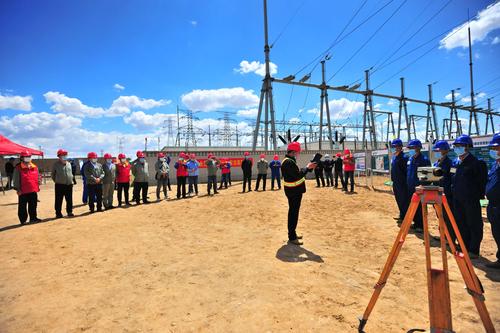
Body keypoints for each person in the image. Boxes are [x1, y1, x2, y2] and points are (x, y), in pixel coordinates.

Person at [451, 134, 488, 258]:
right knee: (460, 222)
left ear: (467, 147)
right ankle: (463, 245)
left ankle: (473, 250)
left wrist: (476, 196)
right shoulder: (455, 162)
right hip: (457, 199)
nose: (457, 148)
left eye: (460, 146)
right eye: (456, 146)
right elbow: (452, 178)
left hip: (470, 200)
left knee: (473, 223)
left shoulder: (476, 163)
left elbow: (481, 182)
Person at [281, 142, 316, 245]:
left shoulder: (289, 161)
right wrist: (307, 168)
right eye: (297, 152)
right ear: (293, 152)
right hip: (294, 192)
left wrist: (307, 168)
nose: (298, 154)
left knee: (293, 213)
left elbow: (296, 174)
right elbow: (298, 176)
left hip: (293, 191)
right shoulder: (288, 162)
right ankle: (292, 236)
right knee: (293, 214)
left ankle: (293, 233)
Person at [432, 140, 456, 242]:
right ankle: (443, 235)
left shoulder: (450, 164)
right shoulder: (436, 163)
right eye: (436, 150)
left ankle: (449, 238)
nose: (437, 152)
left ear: (445, 151)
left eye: (439, 150)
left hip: (446, 195)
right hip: (436, 194)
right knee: (440, 216)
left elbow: (452, 179)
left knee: (447, 217)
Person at [406, 139, 431, 231]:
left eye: (412, 148)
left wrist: (423, 186)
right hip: (410, 186)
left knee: (420, 206)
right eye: (410, 148)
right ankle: (416, 222)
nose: (411, 149)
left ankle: (421, 225)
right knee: (413, 205)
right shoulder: (410, 159)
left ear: (418, 148)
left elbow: (427, 176)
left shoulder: (424, 160)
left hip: (420, 188)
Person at [13, 150, 41, 224]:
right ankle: (23, 220)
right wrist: (17, 189)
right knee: (22, 207)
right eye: (26, 157)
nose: (28, 158)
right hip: (23, 191)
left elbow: (38, 176)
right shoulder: (18, 168)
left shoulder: (34, 167)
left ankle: (33, 218)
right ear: (22, 158)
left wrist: (39, 182)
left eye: (29, 156)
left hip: (33, 190)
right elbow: (16, 179)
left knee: (33, 205)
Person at [485, 133, 500, 269]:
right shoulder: (495, 165)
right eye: (494, 148)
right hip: (493, 205)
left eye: (497, 148)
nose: (495, 151)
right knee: (497, 232)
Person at [51, 149, 74, 218]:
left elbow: (71, 173)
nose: (64, 156)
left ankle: (69, 211)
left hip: (69, 185)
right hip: (59, 185)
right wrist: (58, 181)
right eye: (63, 155)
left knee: (69, 199)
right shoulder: (56, 164)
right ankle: (58, 213)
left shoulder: (69, 164)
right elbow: (53, 175)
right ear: (59, 156)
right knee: (58, 199)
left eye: (65, 155)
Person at [390, 139, 408, 224]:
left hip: (402, 183)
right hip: (395, 182)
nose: (394, 148)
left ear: (400, 147)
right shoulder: (394, 157)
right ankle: (401, 215)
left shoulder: (404, 158)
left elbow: (405, 171)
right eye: (393, 147)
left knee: (404, 200)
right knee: (398, 200)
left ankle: (405, 217)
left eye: (395, 147)